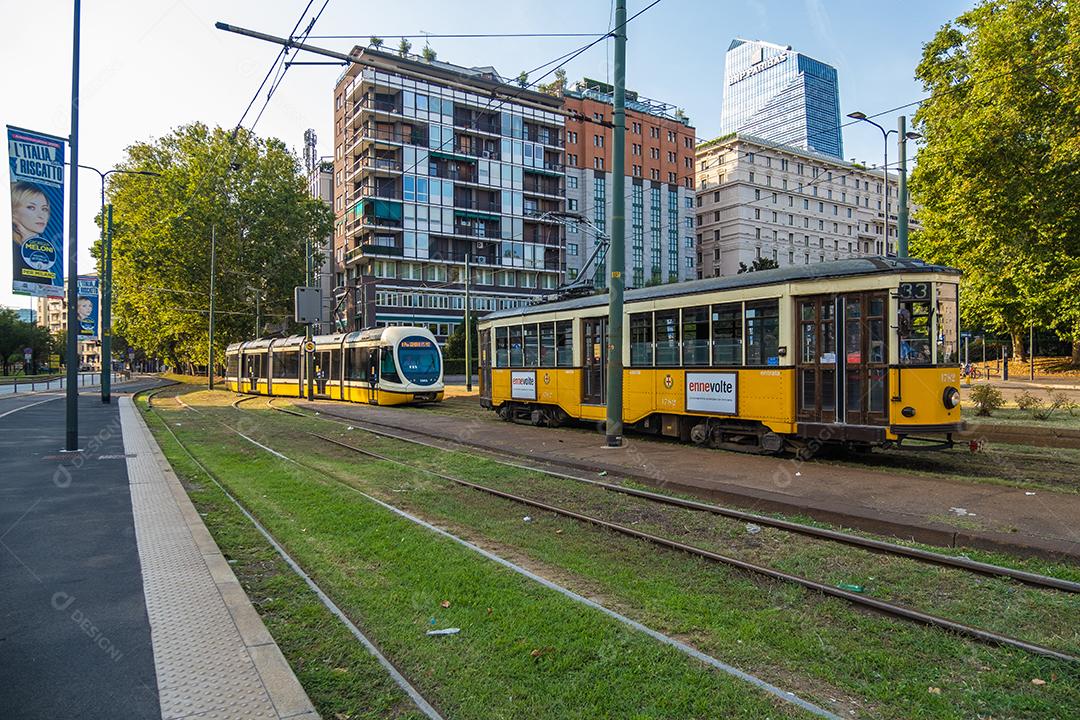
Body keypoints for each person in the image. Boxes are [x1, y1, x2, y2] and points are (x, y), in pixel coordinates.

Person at [11, 182, 57, 290]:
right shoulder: (12, 250)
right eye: (31, 207)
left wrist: (28, 238)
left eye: (44, 209)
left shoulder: (45, 247)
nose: (41, 215)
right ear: (13, 211)